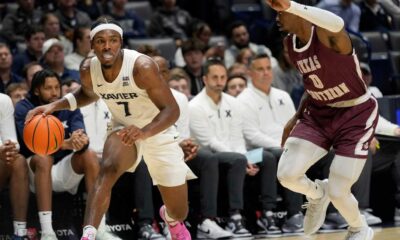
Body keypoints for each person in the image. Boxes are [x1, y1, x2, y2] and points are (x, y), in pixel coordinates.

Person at [25, 17, 196, 240]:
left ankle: (171, 219)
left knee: (179, 210)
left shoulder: (141, 67)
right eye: (101, 41)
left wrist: (144, 132)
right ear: (92, 43)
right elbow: (88, 93)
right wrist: (54, 105)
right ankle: (90, 234)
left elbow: (171, 110)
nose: (107, 46)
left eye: (113, 40)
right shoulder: (88, 69)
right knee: (107, 168)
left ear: (121, 42)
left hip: (157, 130)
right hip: (123, 128)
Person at [266, 0, 378, 240]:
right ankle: (317, 194)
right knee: (287, 175)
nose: (276, 16)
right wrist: (295, 117)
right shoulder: (290, 44)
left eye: (280, 11)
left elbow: (338, 23)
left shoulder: (328, 35)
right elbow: (314, 83)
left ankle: (359, 227)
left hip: (355, 113)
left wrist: (291, 5)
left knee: (339, 191)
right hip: (318, 113)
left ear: (300, 12)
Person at [14, 69, 106, 240]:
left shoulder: (68, 106)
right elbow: (33, 145)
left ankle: (98, 228)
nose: (55, 92)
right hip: (34, 171)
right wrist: (65, 143)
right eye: (48, 88)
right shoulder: (24, 108)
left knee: (90, 155)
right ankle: (48, 232)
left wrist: (80, 141)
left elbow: (81, 136)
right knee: (43, 157)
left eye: (57, 87)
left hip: (63, 169)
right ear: (36, 90)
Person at [237, 53, 305, 236]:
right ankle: (289, 214)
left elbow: (295, 126)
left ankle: (332, 211)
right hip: (251, 154)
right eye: (260, 69)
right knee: (281, 155)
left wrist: (295, 144)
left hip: (282, 149)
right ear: (250, 73)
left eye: (268, 68)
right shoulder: (243, 100)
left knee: (324, 153)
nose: (266, 73)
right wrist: (282, 145)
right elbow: (251, 136)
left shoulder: (283, 95)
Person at [188, 58, 252, 238]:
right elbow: (209, 142)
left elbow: (238, 137)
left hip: (238, 155)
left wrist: (246, 157)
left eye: (223, 77)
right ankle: (235, 218)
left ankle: (276, 215)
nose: (220, 81)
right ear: (205, 79)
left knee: (267, 157)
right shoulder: (194, 106)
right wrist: (242, 158)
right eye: (215, 77)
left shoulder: (234, 102)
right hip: (210, 157)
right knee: (238, 159)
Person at [0, 93, 29, 239]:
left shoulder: (3, 100)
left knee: (18, 161)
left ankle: (20, 232)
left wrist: (7, 148)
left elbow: (13, 142)